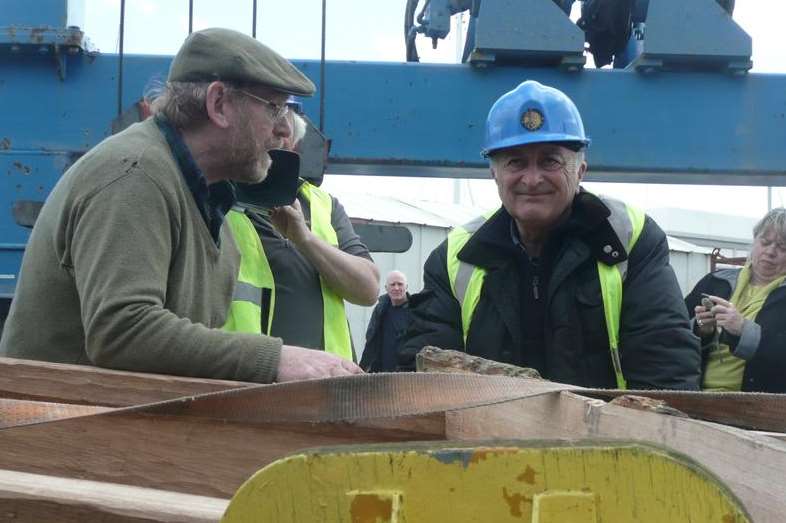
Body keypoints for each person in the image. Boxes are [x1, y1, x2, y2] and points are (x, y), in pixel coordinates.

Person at [0, 28, 362, 382]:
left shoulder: (207, 197)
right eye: (274, 108)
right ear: (219, 104)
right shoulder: (135, 173)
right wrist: (274, 359)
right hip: (59, 430)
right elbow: (121, 330)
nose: (284, 130)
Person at [401, 80, 700, 390]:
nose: (532, 179)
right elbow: (423, 374)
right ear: (495, 174)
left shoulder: (630, 238)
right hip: (485, 437)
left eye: (550, 161)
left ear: (581, 169)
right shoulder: (455, 257)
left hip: (608, 435)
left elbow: (666, 367)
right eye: (516, 161)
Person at [225, 108, 379, 360]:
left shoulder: (323, 205)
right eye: (267, 127)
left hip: (326, 385)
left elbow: (368, 289)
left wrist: (304, 239)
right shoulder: (214, 196)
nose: (277, 137)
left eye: (284, 131)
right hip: (246, 379)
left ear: (294, 142)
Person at [685, 208, 786, 393]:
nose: (771, 251)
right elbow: (673, 333)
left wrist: (744, 330)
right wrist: (701, 328)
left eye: (783, 247)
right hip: (694, 394)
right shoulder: (714, 281)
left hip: (755, 408)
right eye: (765, 242)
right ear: (754, 241)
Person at [360, 270, 412, 372]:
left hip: (408, 373)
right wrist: (362, 368)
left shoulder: (416, 310)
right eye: (392, 284)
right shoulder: (380, 310)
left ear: (406, 287)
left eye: (400, 284)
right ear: (386, 288)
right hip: (382, 374)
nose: (396, 288)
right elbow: (371, 341)